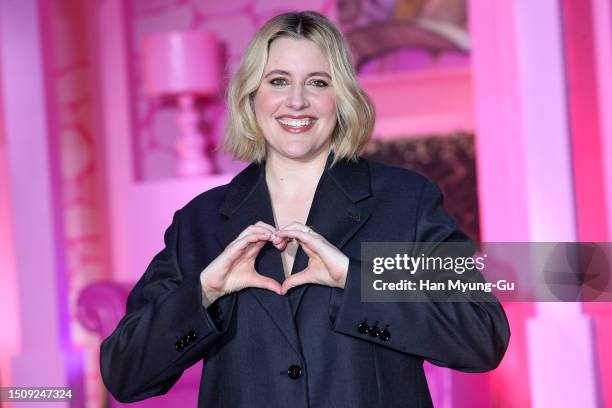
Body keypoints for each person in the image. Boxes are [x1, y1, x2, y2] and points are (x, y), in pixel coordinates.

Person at [100, 10, 510, 408]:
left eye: (317, 82)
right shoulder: (199, 222)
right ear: (251, 95)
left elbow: (481, 335)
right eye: (278, 81)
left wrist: (355, 282)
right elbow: (124, 373)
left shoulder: (405, 200)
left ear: (341, 97)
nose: (296, 101)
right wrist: (206, 291)